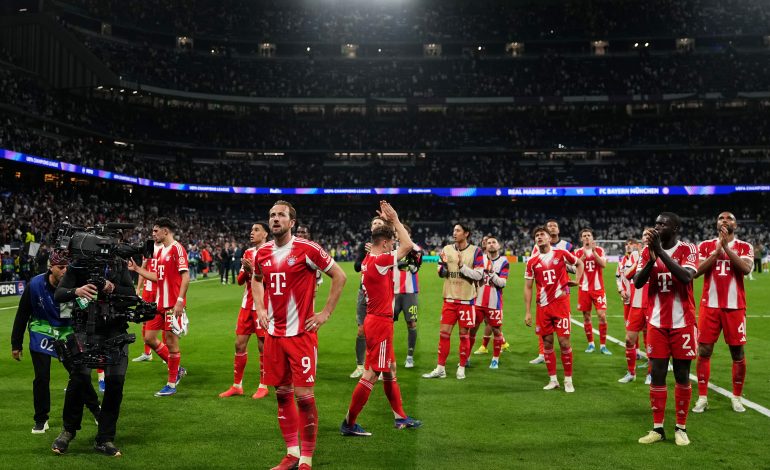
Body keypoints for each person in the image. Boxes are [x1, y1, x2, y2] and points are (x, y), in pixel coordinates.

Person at [251, 200, 347, 470]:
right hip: (274, 336)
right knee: (282, 395)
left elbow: (339, 276)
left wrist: (325, 313)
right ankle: (291, 454)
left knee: (304, 397)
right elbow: (256, 279)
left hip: (301, 336)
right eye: (272, 215)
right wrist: (259, 307)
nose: (275, 219)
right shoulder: (263, 253)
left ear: (292, 222)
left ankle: (307, 458)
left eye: (281, 215)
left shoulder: (308, 249)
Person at [340, 201, 421, 436]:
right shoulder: (381, 261)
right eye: (390, 243)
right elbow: (408, 245)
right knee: (372, 374)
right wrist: (395, 220)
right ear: (385, 243)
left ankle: (400, 417)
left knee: (389, 370)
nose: (393, 246)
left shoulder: (368, 261)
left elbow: (396, 246)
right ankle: (349, 422)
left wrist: (387, 225)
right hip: (381, 323)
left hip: (375, 320)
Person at [51, 248, 137, 456]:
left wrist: (112, 287)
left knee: (115, 384)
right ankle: (68, 431)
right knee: (79, 379)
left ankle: (105, 438)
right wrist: (77, 291)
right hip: (85, 330)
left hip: (115, 329)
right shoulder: (78, 265)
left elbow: (131, 294)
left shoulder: (118, 264)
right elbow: (59, 294)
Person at [10, 250, 100, 434]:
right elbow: (22, 314)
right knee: (42, 378)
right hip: (41, 333)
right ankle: (41, 419)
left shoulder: (76, 284)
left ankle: (96, 410)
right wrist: (16, 344)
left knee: (80, 376)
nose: (65, 271)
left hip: (67, 333)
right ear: (51, 267)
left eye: (68, 267)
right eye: (61, 267)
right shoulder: (34, 285)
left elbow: (87, 311)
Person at [634, 212, 697, 446]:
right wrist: (651, 258)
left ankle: (681, 427)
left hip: (683, 323)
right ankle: (657, 428)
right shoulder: (647, 252)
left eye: (663, 224)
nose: (657, 226)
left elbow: (686, 277)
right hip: (657, 323)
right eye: (656, 223)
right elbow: (638, 283)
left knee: (682, 375)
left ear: (675, 228)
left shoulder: (689, 249)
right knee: (657, 373)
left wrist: (660, 252)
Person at [693, 212, 753, 413]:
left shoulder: (745, 246)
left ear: (735, 224)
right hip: (709, 306)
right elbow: (696, 272)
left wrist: (726, 247)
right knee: (704, 351)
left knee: (737, 352)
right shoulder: (705, 246)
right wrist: (716, 251)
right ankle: (702, 397)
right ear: (716, 223)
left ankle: (736, 397)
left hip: (735, 307)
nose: (724, 221)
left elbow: (745, 269)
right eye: (720, 218)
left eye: (729, 218)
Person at [127, 218, 189, 396]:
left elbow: (186, 277)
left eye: (156, 231)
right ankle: (177, 369)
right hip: (159, 303)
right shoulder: (161, 252)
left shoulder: (178, 249)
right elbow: (158, 278)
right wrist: (138, 269)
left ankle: (171, 384)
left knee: (171, 342)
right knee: (149, 338)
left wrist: (179, 300)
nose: (153, 234)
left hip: (172, 304)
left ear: (165, 231)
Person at [524, 226, 584, 393]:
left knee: (564, 342)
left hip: (561, 305)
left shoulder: (561, 254)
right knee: (547, 343)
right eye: (536, 235)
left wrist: (578, 280)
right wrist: (528, 311)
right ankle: (553, 380)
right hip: (543, 307)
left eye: (542, 234)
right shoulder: (532, 261)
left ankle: (568, 380)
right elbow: (528, 287)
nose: (539, 237)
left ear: (549, 238)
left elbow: (579, 263)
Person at [422, 223, 484, 380]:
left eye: (458, 230)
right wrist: (442, 267)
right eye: (454, 230)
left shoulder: (476, 251)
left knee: (464, 336)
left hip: (466, 301)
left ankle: (462, 367)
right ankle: (440, 368)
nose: (454, 233)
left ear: (466, 233)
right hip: (449, 299)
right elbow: (441, 271)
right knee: (444, 335)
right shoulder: (446, 249)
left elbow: (478, 275)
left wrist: (462, 266)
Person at [219, 222, 270, 399]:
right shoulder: (248, 252)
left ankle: (263, 385)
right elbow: (240, 281)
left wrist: (254, 270)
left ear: (265, 234)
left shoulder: (271, 251)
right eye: (251, 230)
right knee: (239, 344)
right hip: (246, 305)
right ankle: (237, 385)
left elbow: (269, 282)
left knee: (262, 346)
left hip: (263, 306)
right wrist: (246, 270)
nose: (252, 233)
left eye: (256, 230)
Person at [529, 219, 574, 365]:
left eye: (554, 226)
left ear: (558, 230)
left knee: (563, 328)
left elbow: (574, 265)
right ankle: (542, 353)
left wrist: (563, 266)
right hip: (544, 290)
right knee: (544, 326)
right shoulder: (537, 246)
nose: (552, 228)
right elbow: (534, 266)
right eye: (549, 226)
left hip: (562, 290)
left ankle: (564, 353)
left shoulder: (566, 246)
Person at [350, 217, 388, 378]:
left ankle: (378, 365)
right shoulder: (364, 245)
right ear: (371, 228)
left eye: (380, 223)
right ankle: (360, 365)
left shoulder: (388, 246)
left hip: (381, 295)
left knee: (380, 331)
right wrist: (368, 253)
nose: (377, 225)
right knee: (361, 331)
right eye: (374, 223)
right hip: (364, 292)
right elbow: (357, 267)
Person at [470, 236, 509, 369]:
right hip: (477, 301)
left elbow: (503, 283)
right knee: (472, 331)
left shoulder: (504, 261)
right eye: (488, 243)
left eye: (494, 242)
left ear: (499, 246)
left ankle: (495, 359)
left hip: (494, 303)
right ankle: (466, 357)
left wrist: (492, 273)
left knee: (497, 331)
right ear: (485, 246)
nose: (491, 244)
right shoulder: (480, 259)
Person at [618, 237, 652, 384]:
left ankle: (651, 374)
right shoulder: (635, 256)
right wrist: (641, 259)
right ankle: (631, 373)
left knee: (652, 343)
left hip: (653, 305)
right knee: (629, 339)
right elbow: (627, 275)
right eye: (643, 241)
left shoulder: (662, 255)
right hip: (637, 304)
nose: (645, 244)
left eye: (648, 241)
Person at [575, 228, 611, 355]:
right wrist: (583, 256)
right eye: (584, 236)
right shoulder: (578, 252)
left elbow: (603, 265)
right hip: (584, 289)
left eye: (588, 235)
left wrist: (594, 253)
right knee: (586, 317)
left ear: (592, 238)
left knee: (602, 315)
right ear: (581, 239)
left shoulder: (600, 250)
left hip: (598, 289)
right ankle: (591, 344)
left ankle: (603, 345)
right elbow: (576, 268)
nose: (586, 238)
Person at [392, 224, 422, 368]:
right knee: (386, 324)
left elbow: (416, 267)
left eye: (402, 232)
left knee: (412, 323)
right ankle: (386, 355)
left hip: (410, 292)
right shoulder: (390, 248)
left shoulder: (415, 249)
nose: (399, 234)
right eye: (398, 232)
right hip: (392, 292)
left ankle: (410, 356)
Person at [132, 240, 162, 362]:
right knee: (145, 322)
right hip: (148, 291)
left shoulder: (165, 251)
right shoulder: (148, 252)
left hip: (160, 290)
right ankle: (147, 353)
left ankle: (167, 353)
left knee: (165, 322)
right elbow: (142, 271)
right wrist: (138, 288)